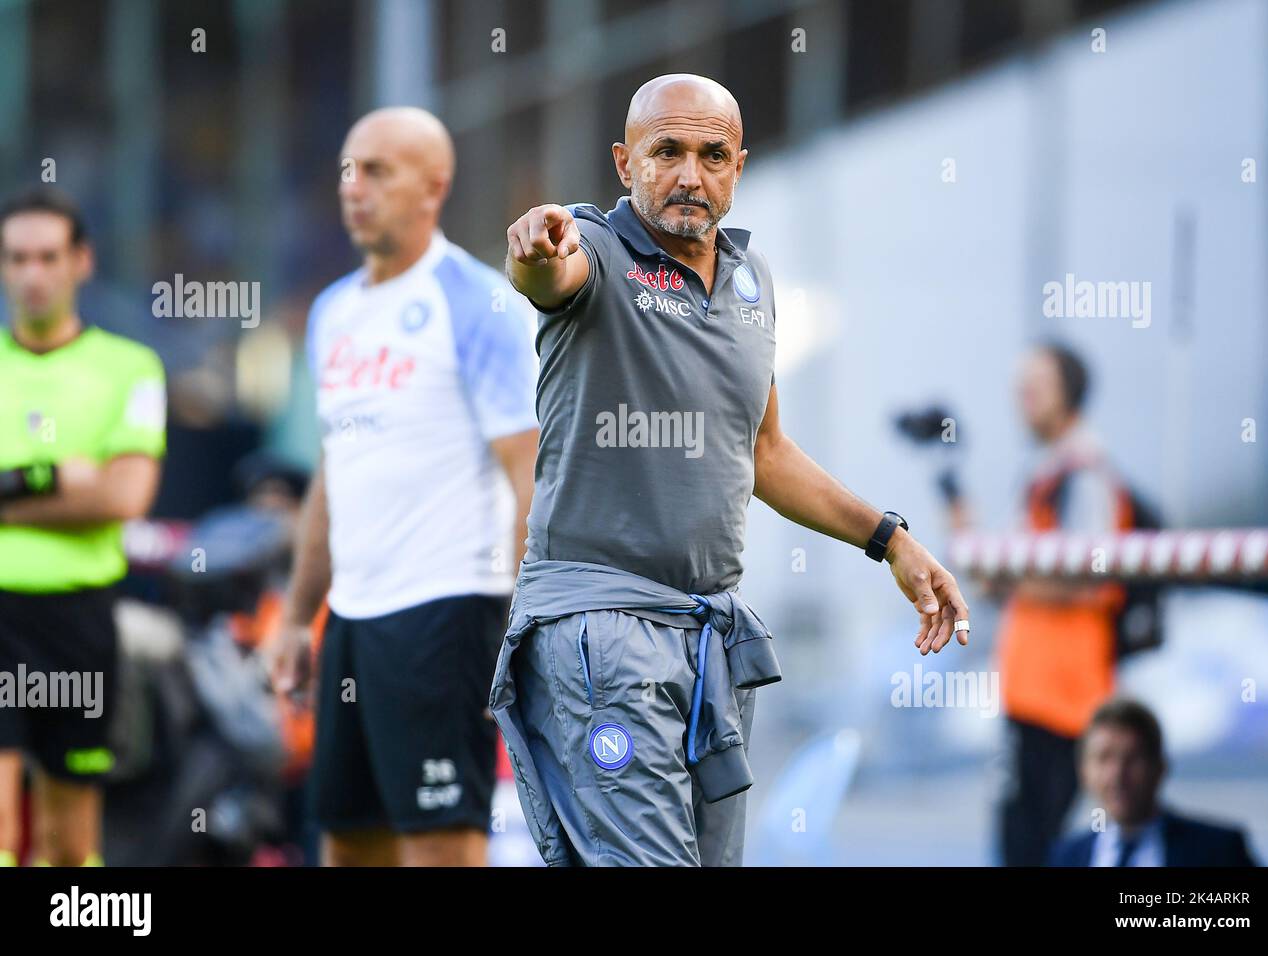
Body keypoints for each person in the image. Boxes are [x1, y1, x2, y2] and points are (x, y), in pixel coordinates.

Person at [491, 74, 972, 867]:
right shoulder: (595, 248)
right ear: (624, 163)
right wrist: (535, 251)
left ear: (739, 165)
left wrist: (892, 540)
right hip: (602, 632)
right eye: (666, 151)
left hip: (708, 635)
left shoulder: (754, 283)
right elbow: (549, 272)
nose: (690, 174)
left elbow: (765, 452)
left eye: (713, 154)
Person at [272, 108, 539, 867]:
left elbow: (531, 469)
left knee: (440, 848)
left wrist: (526, 622)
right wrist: (297, 617)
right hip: (353, 621)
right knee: (348, 846)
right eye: (347, 170)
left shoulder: (475, 300)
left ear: (435, 185)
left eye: (379, 171)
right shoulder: (333, 312)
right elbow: (334, 471)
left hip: (447, 614)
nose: (355, 188)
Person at [0, 187, 167, 866]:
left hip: (81, 619)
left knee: (69, 848)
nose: (32, 275)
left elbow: (125, 495)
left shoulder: (129, 367)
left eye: (47, 257)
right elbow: (89, 489)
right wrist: (48, 477)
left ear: (81, 262)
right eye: (16, 259)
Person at [988, 343, 1135, 866]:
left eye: (1036, 389)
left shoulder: (1084, 471)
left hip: (1066, 696)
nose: (1023, 401)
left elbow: (1093, 577)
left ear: (1068, 395)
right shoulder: (1042, 471)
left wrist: (1011, 580)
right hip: (1030, 691)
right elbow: (992, 575)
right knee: (1019, 840)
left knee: (1041, 844)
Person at [1050, 698, 1256, 866]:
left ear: (1160, 767)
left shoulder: (1218, 851)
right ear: (1083, 771)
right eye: (1104, 758)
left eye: (1132, 758)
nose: (1117, 774)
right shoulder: (1065, 857)